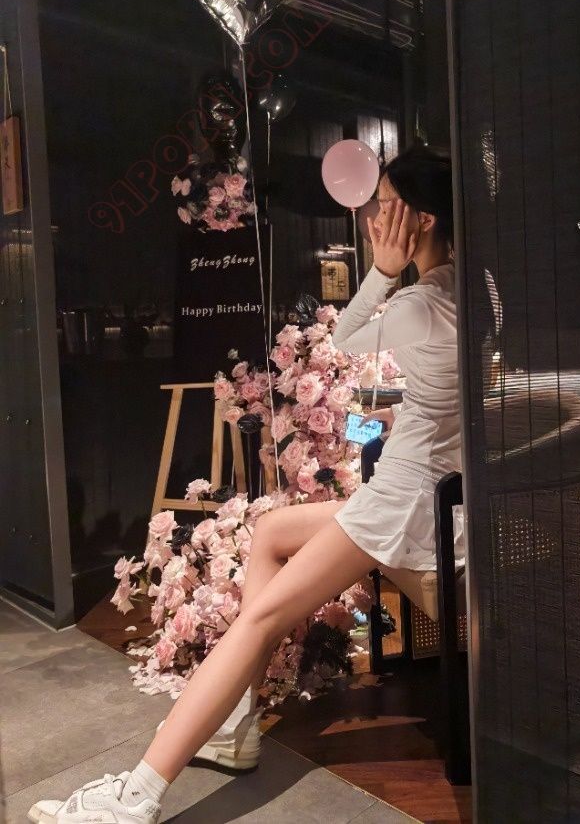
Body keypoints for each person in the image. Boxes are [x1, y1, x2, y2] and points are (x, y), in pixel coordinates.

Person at [28, 145, 463, 824]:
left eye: (384, 207)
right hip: (426, 494)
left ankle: (136, 797)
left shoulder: (422, 301)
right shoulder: (469, 289)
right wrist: (399, 416)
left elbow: (346, 338)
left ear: (421, 220)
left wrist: (382, 271)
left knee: (259, 619)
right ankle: (233, 726)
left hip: (403, 506)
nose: (372, 219)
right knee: (271, 531)